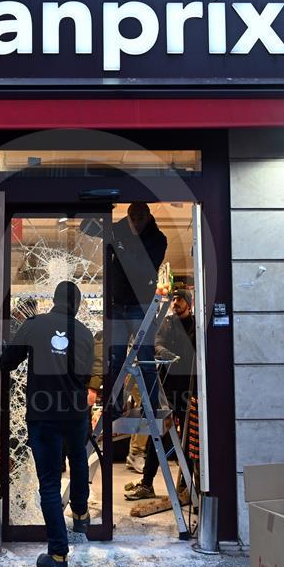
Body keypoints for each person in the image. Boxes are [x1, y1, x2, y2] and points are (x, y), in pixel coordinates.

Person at [0, 281, 95, 567]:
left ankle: (57, 555)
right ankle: (79, 515)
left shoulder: (34, 325)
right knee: (79, 458)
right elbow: (86, 374)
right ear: (77, 305)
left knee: (50, 483)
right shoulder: (86, 333)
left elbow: (6, 363)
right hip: (76, 412)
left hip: (44, 414)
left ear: (52, 300)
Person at [82, 203, 167, 473]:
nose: (136, 223)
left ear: (148, 217)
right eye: (132, 218)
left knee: (144, 360)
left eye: (140, 218)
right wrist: (99, 211)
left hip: (141, 305)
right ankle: (116, 405)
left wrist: (118, 242)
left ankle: (150, 407)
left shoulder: (157, 238)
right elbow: (87, 227)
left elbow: (142, 268)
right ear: (128, 216)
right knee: (115, 358)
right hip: (118, 304)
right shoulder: (119, 228)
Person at [125, 288, 196, 501]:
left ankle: (185, 485)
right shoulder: (168, 323)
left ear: (189, 303)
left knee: (189, 439)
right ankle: (147, 483)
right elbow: (157, 343)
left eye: (180, 299)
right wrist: (164, 352)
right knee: (157, 436)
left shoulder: (195, 326)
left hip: (190, 388)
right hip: (166, 389)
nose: (175, 303)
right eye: (173, 299)